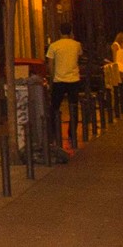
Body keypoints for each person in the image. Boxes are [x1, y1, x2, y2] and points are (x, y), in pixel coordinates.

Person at [45, 25, 83, 157]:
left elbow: (50, 64)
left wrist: (52, 77)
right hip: (74, 79)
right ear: (71, 32)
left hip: (59, 80)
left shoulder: (54, 46)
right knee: (73, 106)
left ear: (59, 31)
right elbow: (79, 57)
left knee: (55, 106)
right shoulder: (76, 45)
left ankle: (54, 131)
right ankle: (72, 133)